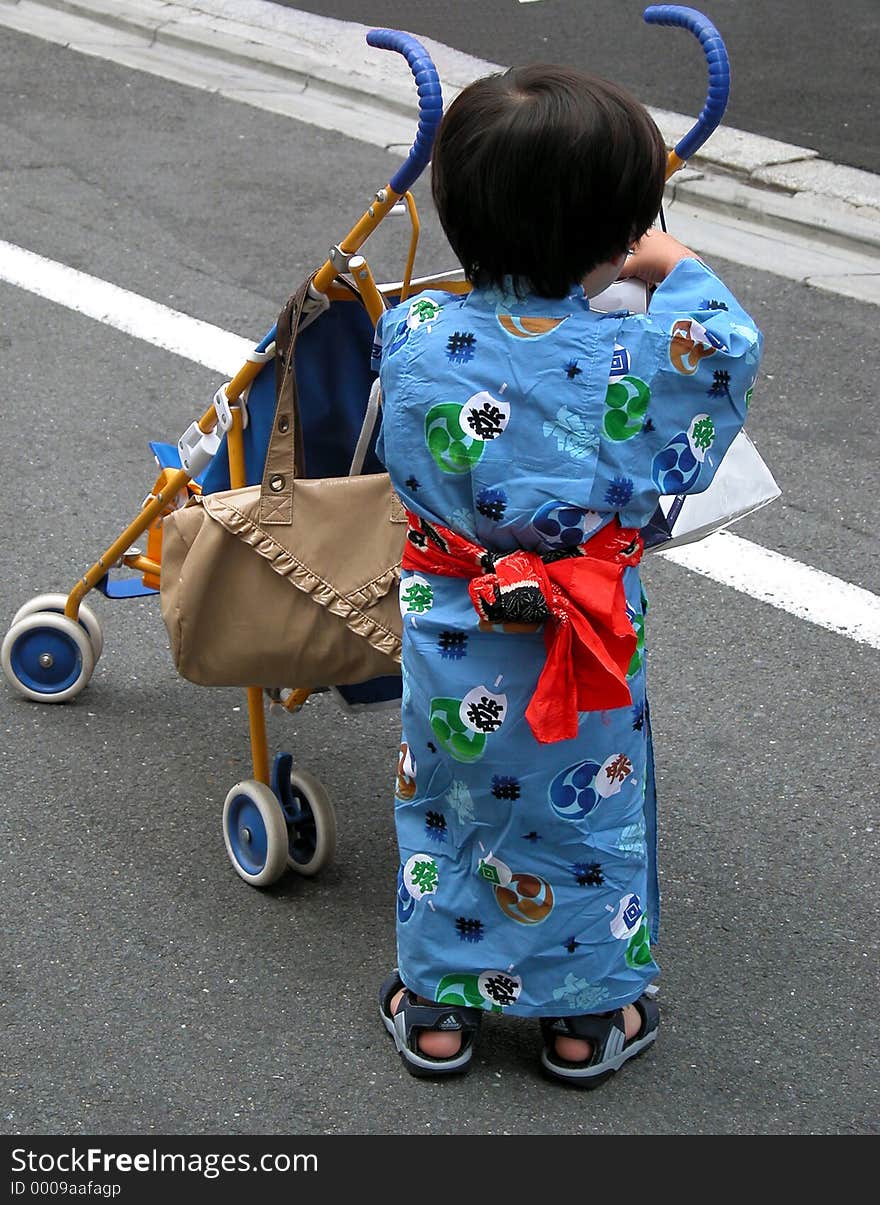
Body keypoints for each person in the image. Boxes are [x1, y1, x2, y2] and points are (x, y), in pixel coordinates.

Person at [370, 63, 763, 1086]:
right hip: (581, 636)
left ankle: (439, 1010)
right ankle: (584, 1020)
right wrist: (669, 258)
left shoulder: (413, 337)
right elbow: (729, 346)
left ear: (456, 212)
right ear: (617, 229)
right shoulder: (636, 354)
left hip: (451, 623)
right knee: (585, 816)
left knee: (449, 810)